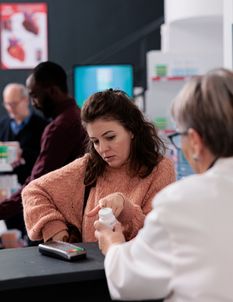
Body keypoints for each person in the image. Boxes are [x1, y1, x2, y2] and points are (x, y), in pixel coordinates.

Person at [94, 68, 233, 302]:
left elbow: (129, 283)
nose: (103, 148)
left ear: (196, 141)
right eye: (95, 141)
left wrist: (113, 245)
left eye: (181, 139)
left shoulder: (183, 203)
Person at [22, 89, 176, 244]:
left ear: (132, 130)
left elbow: (158, 237)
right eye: (95, 141)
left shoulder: (161, 169)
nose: (103, 149)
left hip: (134, 267)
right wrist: (55, 229)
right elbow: (33, 192)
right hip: (90, 268)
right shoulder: (89, 165)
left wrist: (126, 209)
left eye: (110, 137)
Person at [0, 61, 87, 239]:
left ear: (52, 91)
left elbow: (36, 183)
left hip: (64, 220)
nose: (35, 104)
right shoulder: (78, 117)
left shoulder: (58, 127)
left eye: (35, 96)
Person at [0, 83, 48, 234]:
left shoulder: (43, 126)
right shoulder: (2, 125)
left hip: (32, 190)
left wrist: (23, 153)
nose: (10, 108)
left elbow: (47, 160)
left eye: (14, 103)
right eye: (7, 104)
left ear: (25, 100)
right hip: (6, 192)